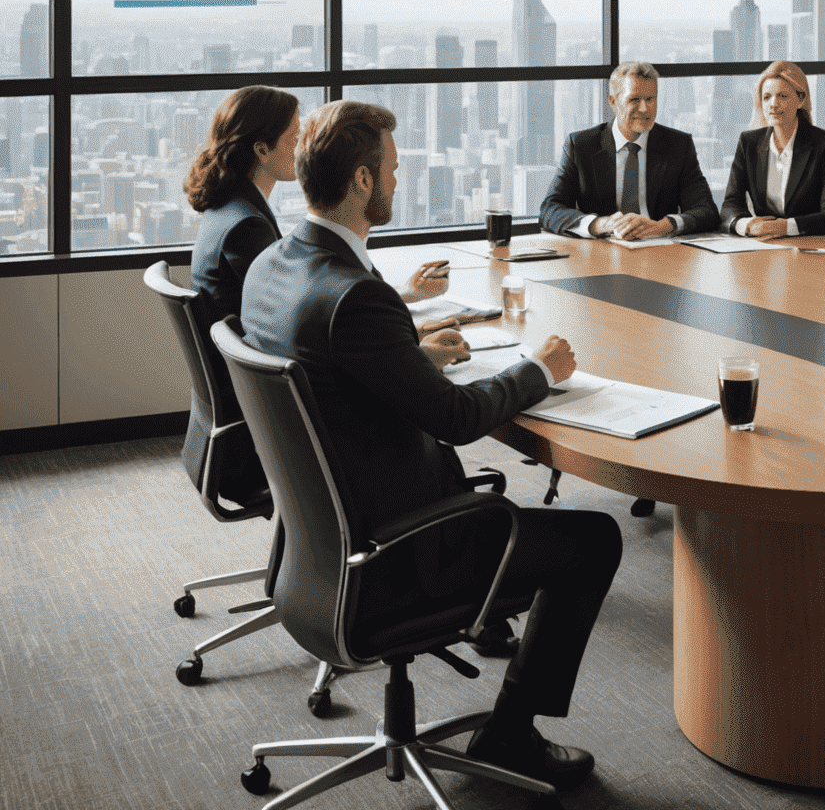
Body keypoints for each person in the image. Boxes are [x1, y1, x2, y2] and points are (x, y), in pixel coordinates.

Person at [242, 101, 622, 791]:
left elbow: (329, 366)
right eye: (392, 168)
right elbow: (453, 418)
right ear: (362, 180)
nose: (398, 178)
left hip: (316, 548)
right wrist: (540, 370)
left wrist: (407, 353)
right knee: (595, 539)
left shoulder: (274, 263)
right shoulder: (357, 295)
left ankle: (494, 666)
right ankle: (508, 735)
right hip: (393, 555)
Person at [183, 86, 301, 506]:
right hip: (257, 436)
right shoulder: (246, 225)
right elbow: (289, 320)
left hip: (238, 415)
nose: (302, 148)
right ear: (262, 149)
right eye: (294, 139)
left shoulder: (228, 207)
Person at [540, 60, 718, 240]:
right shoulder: (581, 145)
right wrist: (601, 224)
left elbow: (707, 211)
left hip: (661, 248)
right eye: (634, 99)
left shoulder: (678, 145)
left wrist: (663, 226)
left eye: (650, 99)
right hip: (603, 250)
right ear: (613, 102)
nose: (644, 108)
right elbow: (550, 210)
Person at [719, 61, 825, 238]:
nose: (773, 104)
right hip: (763, 245)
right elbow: (730, 205)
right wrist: (747, 225)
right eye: (767, 97)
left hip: (810, 245)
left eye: (782, 96)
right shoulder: (749, 143)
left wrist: (786, 227)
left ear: (801, 99)